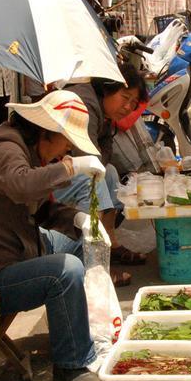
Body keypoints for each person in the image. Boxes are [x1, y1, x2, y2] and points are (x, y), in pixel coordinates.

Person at [0, 90, 108, 381]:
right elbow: (20, 185)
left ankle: (76, 333)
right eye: (65, 144)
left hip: (24, 249)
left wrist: (79, 221)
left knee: (83, 243)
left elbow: (40, 210)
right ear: (45, 132)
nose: (64, 154)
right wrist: (70, 168)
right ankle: (71, 364)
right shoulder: (3, 147)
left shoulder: (26, 150)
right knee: (65, 271)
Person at [59, 64, 149, 285]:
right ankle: (95, 268)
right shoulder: (85, 104)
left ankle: (112, 242)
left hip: (68, 171)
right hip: (50, 178)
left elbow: (104, 152)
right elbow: (88, 157)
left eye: (133, 103)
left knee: (108, 172)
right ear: (108, 88)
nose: (128, 107)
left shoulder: (103, 111)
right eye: (125, 97)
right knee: (95, 176)